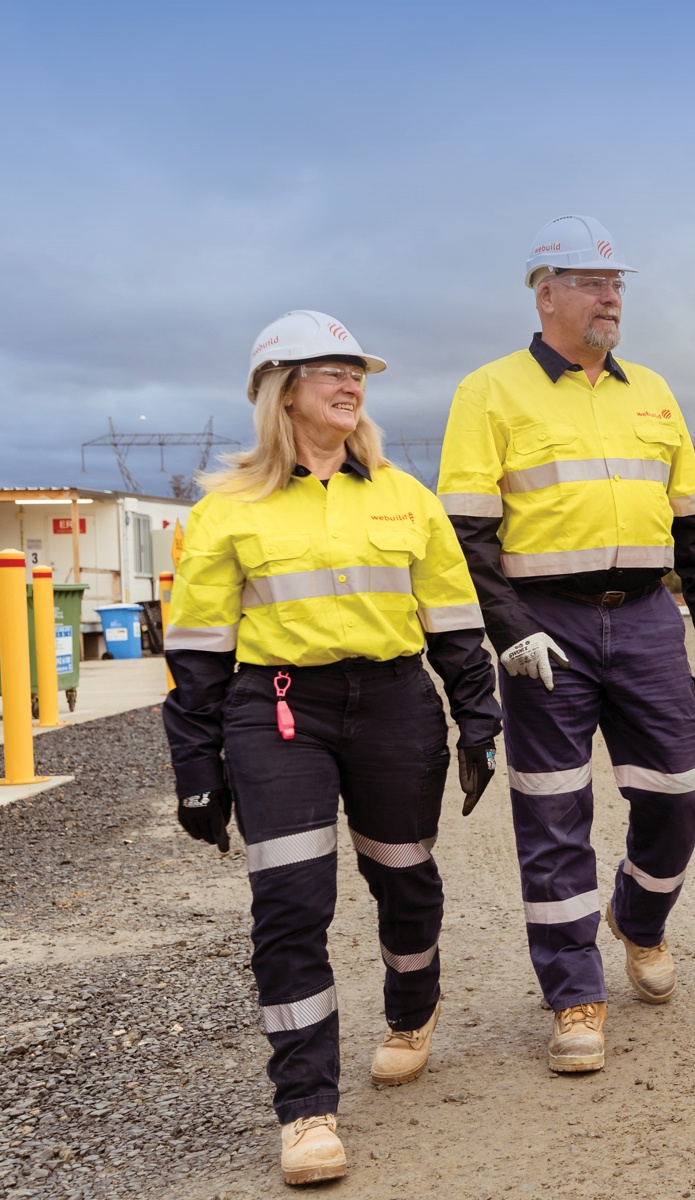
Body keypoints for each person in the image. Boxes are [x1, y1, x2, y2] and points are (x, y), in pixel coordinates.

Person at [162, 310, 502, 1184]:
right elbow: (197, 653)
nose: (351, 385)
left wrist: (478, 718)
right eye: (329, 372)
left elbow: (456, 624)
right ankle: (307, 1108)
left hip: (393, 703)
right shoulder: (228, 508)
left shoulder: (404, 494)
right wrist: (196, 771)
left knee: (403, 873)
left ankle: (411, 1009)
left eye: (357, 373)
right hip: (279, 712)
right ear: (281, 392)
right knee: (289, 903)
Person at [436, 215, 695, 1073]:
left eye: (618, 285)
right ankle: (574, 995)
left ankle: (636, 921)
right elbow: (466, 535)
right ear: (547, 294)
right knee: (553, 808)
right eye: (594, 283)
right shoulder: (487, 393)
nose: (612, 297)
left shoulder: (652, 391)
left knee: (680, 789)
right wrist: (512, 630)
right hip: (545, 627)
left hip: (646, 617)